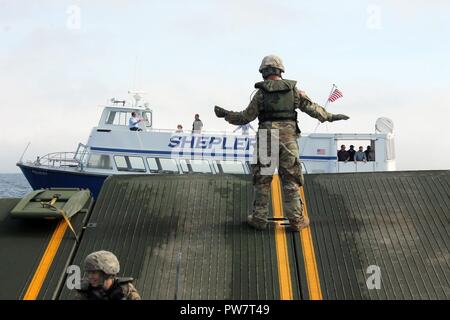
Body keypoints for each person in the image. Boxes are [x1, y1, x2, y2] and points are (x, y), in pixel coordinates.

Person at [214, 55, 349, 231]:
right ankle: (296, 221)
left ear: (263, 72)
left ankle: (259, 219)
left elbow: (245, 117)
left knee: (262, 180)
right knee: (291, 179)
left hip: (266, 139)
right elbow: (314, 110)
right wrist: (331, 117)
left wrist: (226, 114)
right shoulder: (294, 91)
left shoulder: (261, 94)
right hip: (288, 140)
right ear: (280, 71)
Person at [76, 250, 141, 300]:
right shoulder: (87, 291)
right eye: (88, 273)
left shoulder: (126, 291)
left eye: (93, 272)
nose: (89, 276)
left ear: (106, 273)